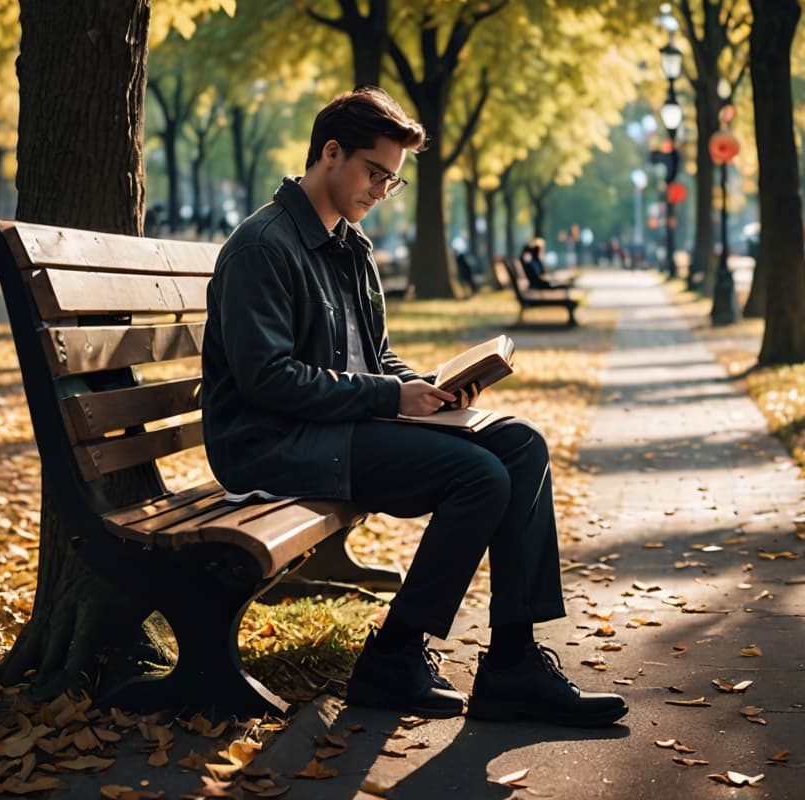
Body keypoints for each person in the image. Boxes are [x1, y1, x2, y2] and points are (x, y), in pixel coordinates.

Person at [201, 87, 626, 727]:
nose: (380, 190)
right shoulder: (264, 246)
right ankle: (394, 657)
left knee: (521, 446)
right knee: (477, 476)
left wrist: (432, 388)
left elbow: (377, 360)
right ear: (331, 153)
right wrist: (390, 395)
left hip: (336, 427)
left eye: (392, 183)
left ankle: (513, 662)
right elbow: (268, 380)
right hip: (271, 441)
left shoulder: (351, 245)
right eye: (375, 174)